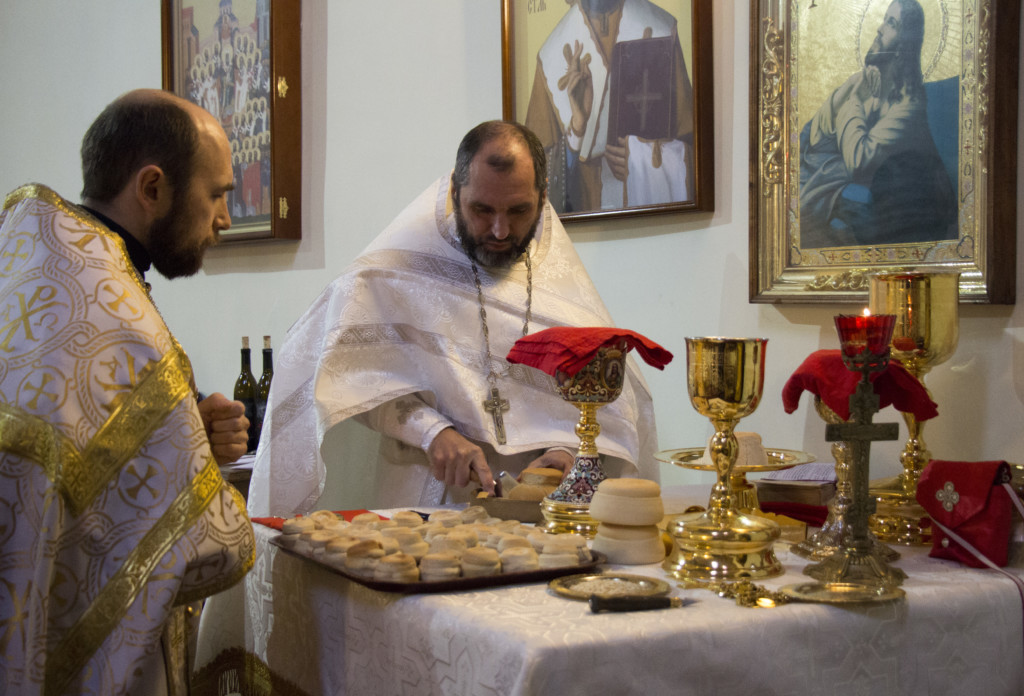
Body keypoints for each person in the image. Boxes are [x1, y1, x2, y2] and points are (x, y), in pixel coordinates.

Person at [248, 121, 658, 516]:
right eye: (482, 210)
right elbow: (341, 375)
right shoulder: (396, 270)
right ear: (454, 190)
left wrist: (565, 449)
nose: (500, 230)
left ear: (543, 195)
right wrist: (430, 431)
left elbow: (610, 405)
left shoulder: (561, 284)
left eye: (519, 210)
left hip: (541, 509)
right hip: (426, 494)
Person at [0, 89, 255, 695]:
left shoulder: (43, 266)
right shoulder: (115, 319)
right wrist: (185, 455)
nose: (224, 218)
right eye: (216, 194)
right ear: (152, 188)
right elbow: (215, 544)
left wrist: (183, 429)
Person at [798, 0, 957, 248]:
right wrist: (852, 89)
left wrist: (854, 100)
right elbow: (815, 135)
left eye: (891, 23)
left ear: (903, 45)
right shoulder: (866, 80)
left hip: (912, 210)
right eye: (884, 20)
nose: (879, 28)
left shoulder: (908, 104)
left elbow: (858, 161)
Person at [524, 0, 695, 214]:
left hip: (649, 224)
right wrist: (577, 130)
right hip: (586, 225)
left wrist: (643, 160)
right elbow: (534, 176)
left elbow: (695, 152)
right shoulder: (552, 53)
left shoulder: (661, 28)